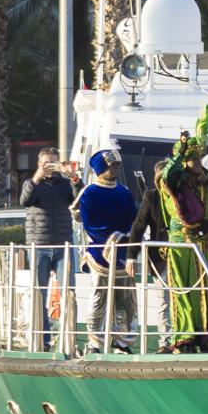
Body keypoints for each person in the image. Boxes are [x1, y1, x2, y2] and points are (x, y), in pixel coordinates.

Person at [156, 106, 208, 352]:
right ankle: (186, 336)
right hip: (179, 244)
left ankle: (207, 337)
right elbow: (169, 175)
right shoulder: (173, 184)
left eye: (199, 158)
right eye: (192, 159)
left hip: (205, 244)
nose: (197, 163)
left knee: (207, 291)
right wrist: (179, 151)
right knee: (182, 291)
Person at [74, 149, 139, 353]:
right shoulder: (90, 193)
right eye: (113, 165)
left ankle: (122, 343)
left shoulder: (124, 192)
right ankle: (95, 342)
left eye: (118, 165)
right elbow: (90, 225)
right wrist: (115, 240)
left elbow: (134, 220)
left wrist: (130, 238)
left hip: (123, 253)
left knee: (125, 300)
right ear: (102, 168)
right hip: (99, 254)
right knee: (98, 299)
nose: (117, 168)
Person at [20, 146, 77, 346]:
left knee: (69, 292)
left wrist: (73, 178)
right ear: (39, 164)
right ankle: (43, 338)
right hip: (39, 246)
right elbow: (25, 200)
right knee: (39, 294)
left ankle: (67, 339)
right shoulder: (32, 183)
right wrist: (37, 176)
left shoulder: (64, 184)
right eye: (46, 163)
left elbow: (80, 201)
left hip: (63, 245)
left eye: (53, 162)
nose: (50, 167)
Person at [126, 183, 172, 350]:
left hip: (185, 256)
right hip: (161, 256)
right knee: (164, 301)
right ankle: (165, 343)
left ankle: (186, 340)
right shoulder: (152, 196)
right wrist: (131, 256)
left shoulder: (185, 193)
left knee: (185, 298)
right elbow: (139, 226)